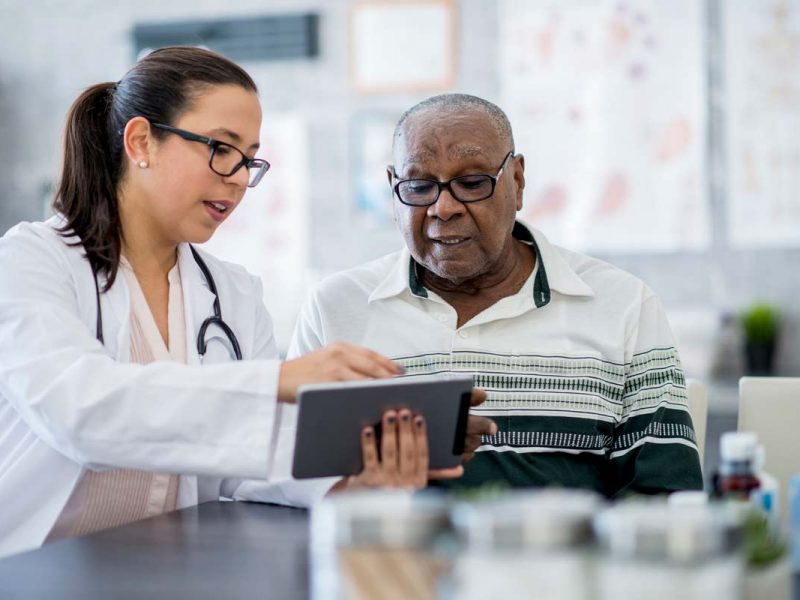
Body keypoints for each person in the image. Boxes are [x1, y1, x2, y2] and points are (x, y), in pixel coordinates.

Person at [0, 48, 469, 559]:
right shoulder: (31, 259)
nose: (240, 177)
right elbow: (79, 412)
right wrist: (275, 382)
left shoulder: (233, 292)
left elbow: (249, 462)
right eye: (221, 149)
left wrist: (353, 478)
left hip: (169, 569)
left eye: (249, 159)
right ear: (141, 142)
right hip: (33, 567)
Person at [275, 93, 702, 502]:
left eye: (473, 182)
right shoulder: (336, 308)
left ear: (516, 181)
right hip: (391, 566)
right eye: (420, 186)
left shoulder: (622, 304)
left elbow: (664, 496)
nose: (443, 208)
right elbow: (286, 479)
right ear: (392, 188)